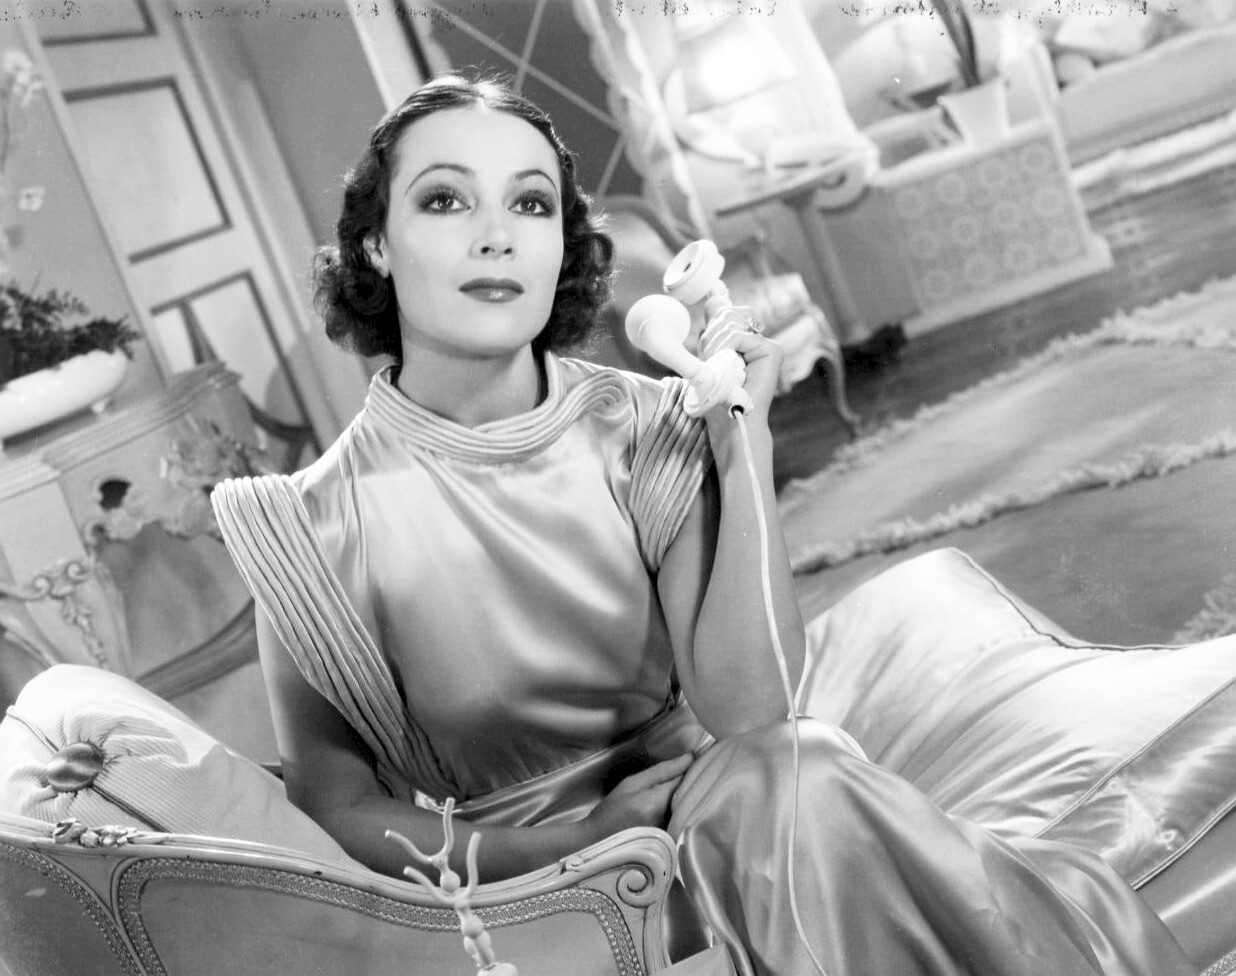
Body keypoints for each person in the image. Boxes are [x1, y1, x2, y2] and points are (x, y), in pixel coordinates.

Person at [213, 73, 1225, 976]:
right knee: (792, 782)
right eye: (445, 200)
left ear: (560, 242)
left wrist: (743, 442)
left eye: (529, 202)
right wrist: (577, 846)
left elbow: (751, 707)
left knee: (785, 771)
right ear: (376, 244)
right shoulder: (301, 528)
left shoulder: (645, 425)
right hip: (539, 897)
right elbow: (339, 809)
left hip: (730, 812)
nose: (496, 234)